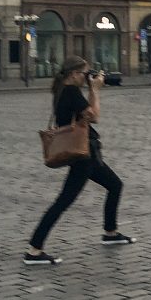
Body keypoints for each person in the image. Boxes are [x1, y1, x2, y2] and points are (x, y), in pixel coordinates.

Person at [25, 55, 134, 265]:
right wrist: (95, 90)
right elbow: (94, 116)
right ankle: (34, 250)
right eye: (84, 74)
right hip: (83, 155)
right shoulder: (71, 91)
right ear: (74, 74)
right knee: (63, 201)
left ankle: (110, 233)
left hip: (86, 152)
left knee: (115, 185)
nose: (86, 77)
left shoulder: (60, 90)